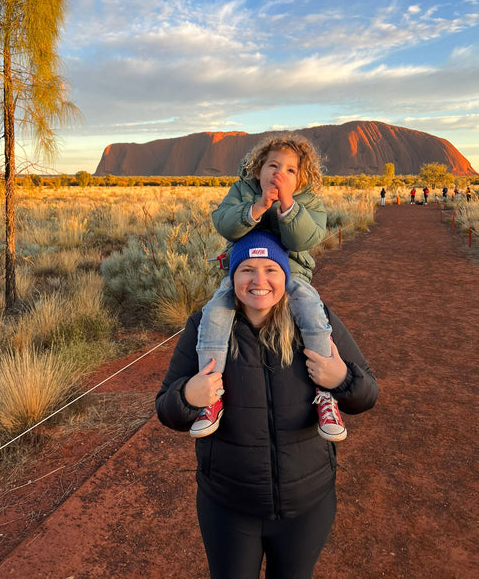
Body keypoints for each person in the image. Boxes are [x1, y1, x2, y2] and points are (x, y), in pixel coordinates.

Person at [156, 232, 379, 579]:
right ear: (232, 276)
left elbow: (367, 395)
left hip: (307, 505)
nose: (259, 281)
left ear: (286, 276)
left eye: (270, 269)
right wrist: (188, 396)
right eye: (247, 269)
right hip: (228, 506)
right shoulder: (204, 328)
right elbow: (166, 409)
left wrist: (341, 379)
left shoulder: (316, 322)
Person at [192, 135, 346, 443]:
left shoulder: (308, 200)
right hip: (244, 272)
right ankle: (211, 393)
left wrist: (288, 205)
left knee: (309, 307)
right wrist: (259, 206)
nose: (280, 173)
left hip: (292, 273)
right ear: (259, 168)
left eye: (290, 170)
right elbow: (224, 222)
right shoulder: (242, 190)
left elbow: (306, 239)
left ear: (301, 177)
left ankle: (325, 392)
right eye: (273, 165)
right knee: (216, 310)